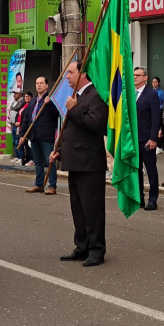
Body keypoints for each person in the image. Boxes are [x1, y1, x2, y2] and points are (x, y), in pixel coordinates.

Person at [51, 60, 110, 267]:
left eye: (70, 72)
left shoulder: (98, 95)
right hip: (75, 160)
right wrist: (59, 151)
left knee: (92, 208)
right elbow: (72, 129)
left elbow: (95, 125)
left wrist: (75, 109)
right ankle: (82, 246)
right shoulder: (78, 96)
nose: (66, 76)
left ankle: (96, 250)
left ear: (83, 73)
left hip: (90, 162)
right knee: (78, 207)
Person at [22, 76, 60, 194]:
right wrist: (23, 135)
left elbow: (56, 114)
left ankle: (52, 186)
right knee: (38, 161)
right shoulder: (32, 101)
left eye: (41, 83)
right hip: (34, 136)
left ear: (47, 85)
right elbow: (27, 119)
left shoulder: (51, 100)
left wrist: (48, 104)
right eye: (37, 83)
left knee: (50, 162)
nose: (39, 85)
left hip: (46, 136)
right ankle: (39, 184)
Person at [134, 66, 163, 211]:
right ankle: (139, 198)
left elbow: (155, 118)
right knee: (136, 170)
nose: (135, 77)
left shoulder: (151, 94)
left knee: (151, 170)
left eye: (138, 75)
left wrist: (153, 139)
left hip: (146, 139)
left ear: (145, 78)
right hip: (133, 139)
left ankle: (153, 199)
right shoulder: (130, 94)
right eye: (134, 75)